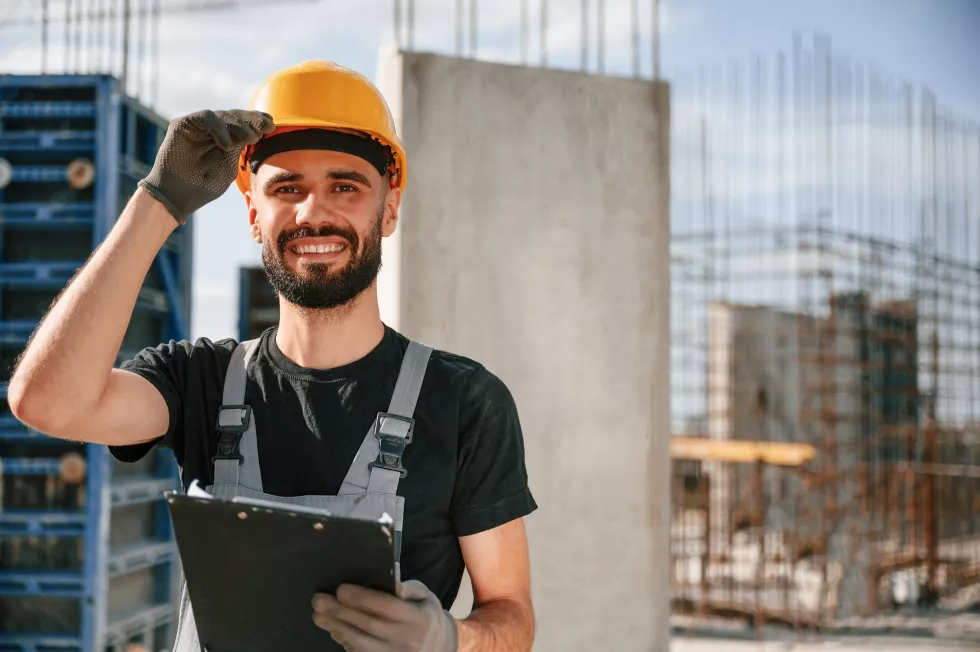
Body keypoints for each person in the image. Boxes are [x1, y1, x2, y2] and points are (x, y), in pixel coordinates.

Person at [9, 60, 536, 652]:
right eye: (287, 188)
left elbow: (511, 616)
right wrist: (159, 203)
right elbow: (47, 401)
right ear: (254, 213)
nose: (313, 212)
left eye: (345, 185)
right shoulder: (197, 381)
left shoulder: (464, 400)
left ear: (388, 210)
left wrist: (451, 640)